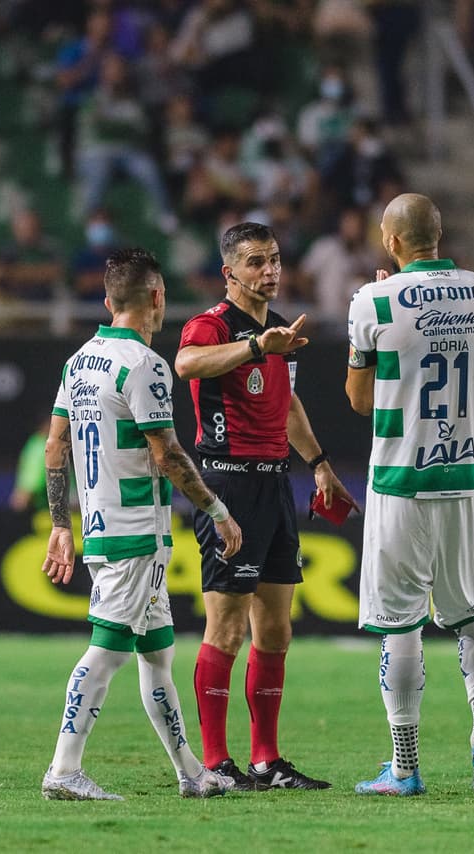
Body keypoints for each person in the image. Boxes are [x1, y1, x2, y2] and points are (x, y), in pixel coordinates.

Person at [40, 248, 242, 801]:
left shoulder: (79, 361)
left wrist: (61, 522)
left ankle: (190, 772)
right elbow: (168, 454)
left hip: (107, 527)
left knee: (157, 654)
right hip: (133, 531)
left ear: (108, 301)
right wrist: (217, 509)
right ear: (157, 298)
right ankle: (63, 770)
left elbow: (55, 444)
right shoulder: (145, 365)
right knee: (105, 651)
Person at [175, 222, 357, 791]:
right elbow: (186, 366)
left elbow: (287, 403)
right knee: (225, 627)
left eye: (275, 259)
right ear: (230, 272)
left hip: (276, 483)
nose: (270, 271)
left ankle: (266, 760)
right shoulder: (211, 326)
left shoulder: (280, 330)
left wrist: (320, 463)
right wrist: (256, 347)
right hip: (228, 487)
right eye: (256, 262)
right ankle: (214, 760)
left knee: (275, 629)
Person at [345, 193, 474, 796]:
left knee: (401, 623)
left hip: (401, 482)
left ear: (391, 241)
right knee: (471, 613)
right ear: (440, 235)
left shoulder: (373, 299)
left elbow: (359, 399)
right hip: (465, 477)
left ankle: (406, 766)